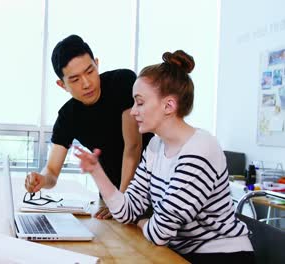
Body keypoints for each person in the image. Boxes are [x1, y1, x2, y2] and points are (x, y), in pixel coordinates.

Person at [75, 50, 255, 263]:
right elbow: (126, 211)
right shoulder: (155, 146)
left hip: (222, 256)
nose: (133, 111)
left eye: (139, 102)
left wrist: (142, 222)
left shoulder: (200, 148)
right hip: (179, 253)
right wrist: (97, 172)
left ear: (168, 106)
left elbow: (160, 233)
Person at [24, 34, 153, 219]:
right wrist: (42, 180)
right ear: (62, 85)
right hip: (112, 199)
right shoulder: (67, 116)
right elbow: (52, 171)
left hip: (146, 193)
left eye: (90, 71)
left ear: (97, 64)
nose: (86, 83)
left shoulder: (122, 81)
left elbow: (132, 148)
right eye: (75, 79)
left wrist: (122, 202)